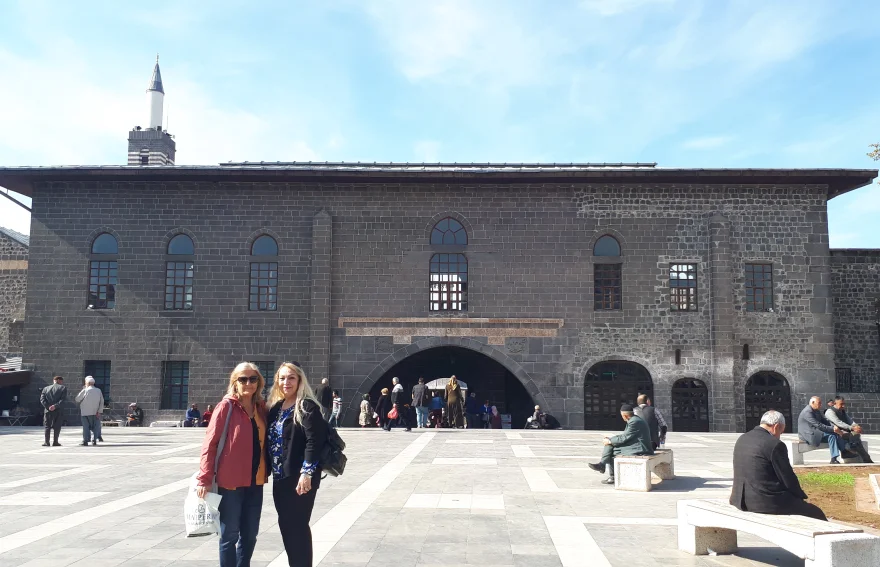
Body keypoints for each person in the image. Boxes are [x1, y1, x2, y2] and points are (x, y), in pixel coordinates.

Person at [195, 362, 269, 567]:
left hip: (256, 481)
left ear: (259, 382)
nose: (248, 383)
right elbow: (210, 444)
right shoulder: (226, 407)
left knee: (251, 535)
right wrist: (204, 478)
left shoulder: (261, 408)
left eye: (253, 379)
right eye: (243, 379)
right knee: (229, 536)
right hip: (231, 482)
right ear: (234, 382)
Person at [267, 362, 327, 567]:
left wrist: (307, 473)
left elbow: (314, 441)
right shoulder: (275, 408)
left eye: (291, 377)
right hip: (280, 476)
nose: (286, 382)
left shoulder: (306, 406)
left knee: (298, 526)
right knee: (285, 524)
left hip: (300, 478)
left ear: (300, 380)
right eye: (282, 378)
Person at [731, 410, 827, 520]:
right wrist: (800, 496)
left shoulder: (743, 438)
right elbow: (787, 477)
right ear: (776, 427)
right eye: (781, 432)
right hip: (764, 500)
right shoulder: (775, 444)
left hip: (739, 498)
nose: (779, 436)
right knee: (816, 513)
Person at [588, 404, 653, 485]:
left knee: (612, 450)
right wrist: (610, 440)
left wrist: (610, 441)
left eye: (622, 416)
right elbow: (625, 435)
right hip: (637, 444)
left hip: (642, 448)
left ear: (625, 416)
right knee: (610, 445)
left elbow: (625, 437)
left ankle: (609, 472)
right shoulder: (634, 420)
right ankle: (603, 466)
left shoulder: (634, 422)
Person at [824, 396, 873, 463]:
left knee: (856, 435)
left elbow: (850, 421)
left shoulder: (842, 411)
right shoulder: (829, 412)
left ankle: (864, 456)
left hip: (845, 432)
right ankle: (865, 458)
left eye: (844, 404)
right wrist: (852, 428)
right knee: (855, 438)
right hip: (838, 433)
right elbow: (838, 422)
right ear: (835, 403)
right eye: (841, 404)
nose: (843, 406)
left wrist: (856, 426)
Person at [798, 396, 845, 464]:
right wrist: (833, 429)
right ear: (813, 402)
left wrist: (834, 427)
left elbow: (824, 421)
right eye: (819, 403)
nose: (821, 405)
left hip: (816, 432)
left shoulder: (816, 410)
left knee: (835, 434)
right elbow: (819, 425)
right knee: (832, 435)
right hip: (809, 435)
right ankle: (836, 457)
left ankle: (841, 453)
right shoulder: (807, 412)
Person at [75, 376, 104, 446]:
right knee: (95, 426)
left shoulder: (85, 390)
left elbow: (77, 399)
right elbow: (102, 401)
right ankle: (94, 439)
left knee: (86, 427)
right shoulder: (98, 390)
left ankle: (86, 440)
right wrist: (99, 411)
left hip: (85, 412)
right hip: (95, 412)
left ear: (87, 383)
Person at [40, 376, 67, 446]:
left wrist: (48, 407)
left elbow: (42, 400)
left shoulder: (45, 388)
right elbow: (62, 400)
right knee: (57, 426)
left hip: (47, 411)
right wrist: (55, 406)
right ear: (58, 380)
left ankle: (47, 442)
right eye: (61, 381)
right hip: (58, 410)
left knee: (47, 426)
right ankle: (55, 441)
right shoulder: (63, 388)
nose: (62, 383)